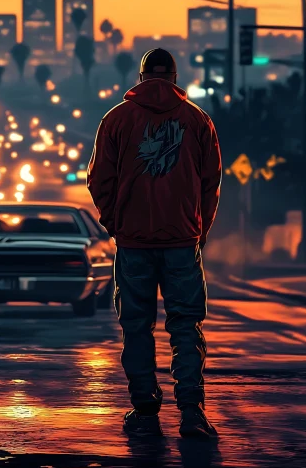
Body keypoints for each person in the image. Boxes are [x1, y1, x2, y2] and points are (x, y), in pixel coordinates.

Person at [87, 48, 222, 438]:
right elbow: (210, 184)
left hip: (134, 244)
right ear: (175, 78)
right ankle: (192, 413)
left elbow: (99, 180)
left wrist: (117, 224)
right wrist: (200, 230)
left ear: (142, 77)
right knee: (186, 326)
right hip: (182, 241)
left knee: (136, 327)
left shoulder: (116, 119)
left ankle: (145, 410)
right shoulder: (198, 121)